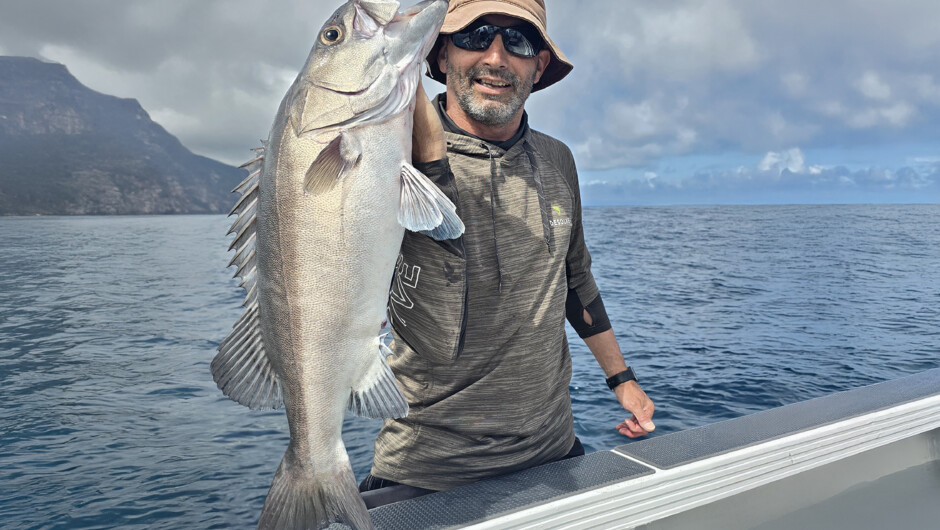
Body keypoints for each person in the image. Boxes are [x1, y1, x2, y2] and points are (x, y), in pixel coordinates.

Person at [359, 0, 655, 503]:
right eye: (476, 35)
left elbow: (575, 278)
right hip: (427, 469)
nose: (496, 57)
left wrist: (621, 379)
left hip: (553, 454)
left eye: (518, 41)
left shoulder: (559, 159)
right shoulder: (387, 157)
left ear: (538, 65)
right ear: (441, 52)